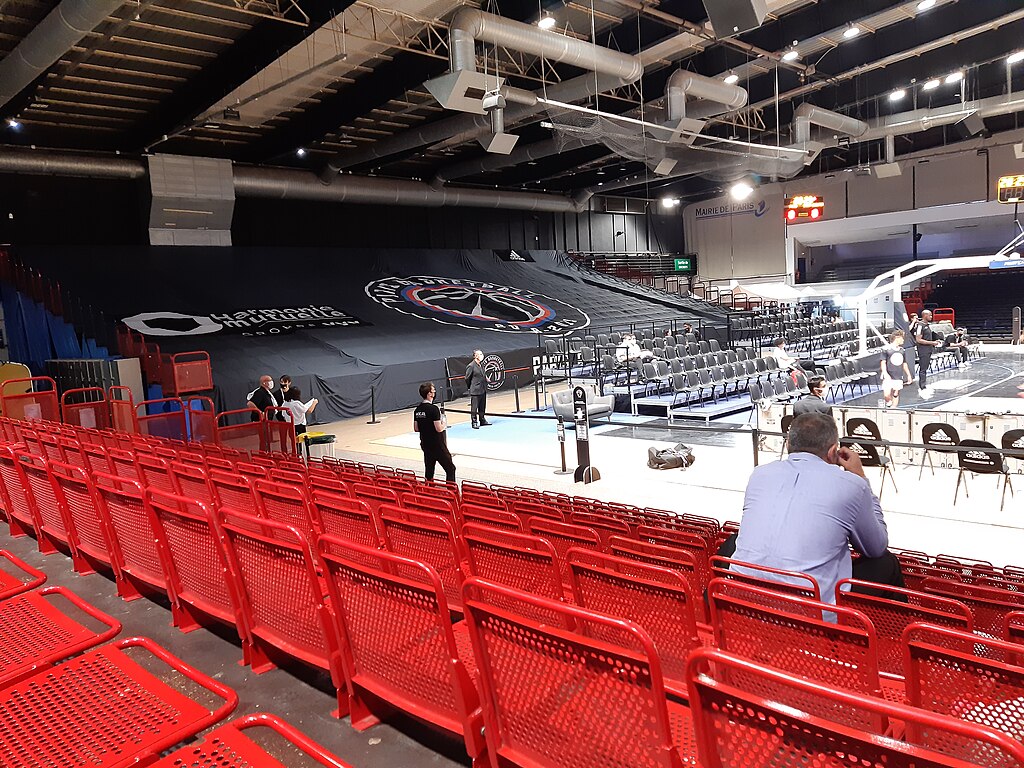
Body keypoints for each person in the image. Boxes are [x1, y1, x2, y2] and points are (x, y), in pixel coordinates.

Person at [731, 412, 903, 607]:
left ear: (788, 444)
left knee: (733, 540)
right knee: (886, 562)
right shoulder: (852, 485)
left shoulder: (759, 474)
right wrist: (860, 477)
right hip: (807, 609)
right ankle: (898, 626)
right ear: (833, 451)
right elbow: (876, 547)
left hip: (741, 599)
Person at [414, 382, 456, 483]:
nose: (435, 392)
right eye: (433, 390)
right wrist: (443, 423)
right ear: (429, 394)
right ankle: (451, 490)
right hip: (437, 444)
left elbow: (416, 428)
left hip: (425, 443)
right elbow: (439, 428)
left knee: (429, 470)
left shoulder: (417, 410)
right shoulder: (433, 409)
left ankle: (429, 489)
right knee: (450, 468)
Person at [879, 331, 913, 408]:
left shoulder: (902, 350)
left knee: (895, 393)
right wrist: (885, 373)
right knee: (887, 394)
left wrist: (908, 375)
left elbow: (904, 363)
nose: (903, 340)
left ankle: (893, 408)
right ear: (897, 338)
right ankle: (889, 402)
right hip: (888, 375)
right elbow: (883, 362)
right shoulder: (886, 349)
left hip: (898, 375)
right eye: (902, 338)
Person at [914, 309, 942, 398]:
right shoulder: (920, 326)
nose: (931, 317)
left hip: (928, 349)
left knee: (925, 368)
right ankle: (922, 387)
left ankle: (924, 385)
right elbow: (918, 340)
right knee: (923, 368)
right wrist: (932, 343)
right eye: (930, 315)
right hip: (923, 350)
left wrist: (934, 341)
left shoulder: (927, 325)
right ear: (925, 315)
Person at [465, 349, 490, 429]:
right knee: (474, 407)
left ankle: (482, 420)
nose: (482, 355)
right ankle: (474, 422)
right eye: (480, 354)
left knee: (482, 406)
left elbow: (483, 374)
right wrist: (471, 387)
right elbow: (467, 378)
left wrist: (486, 378)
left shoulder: (481, 365)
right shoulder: (471, 366)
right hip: (475, 390)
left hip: (483, 388)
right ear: (476, 356)